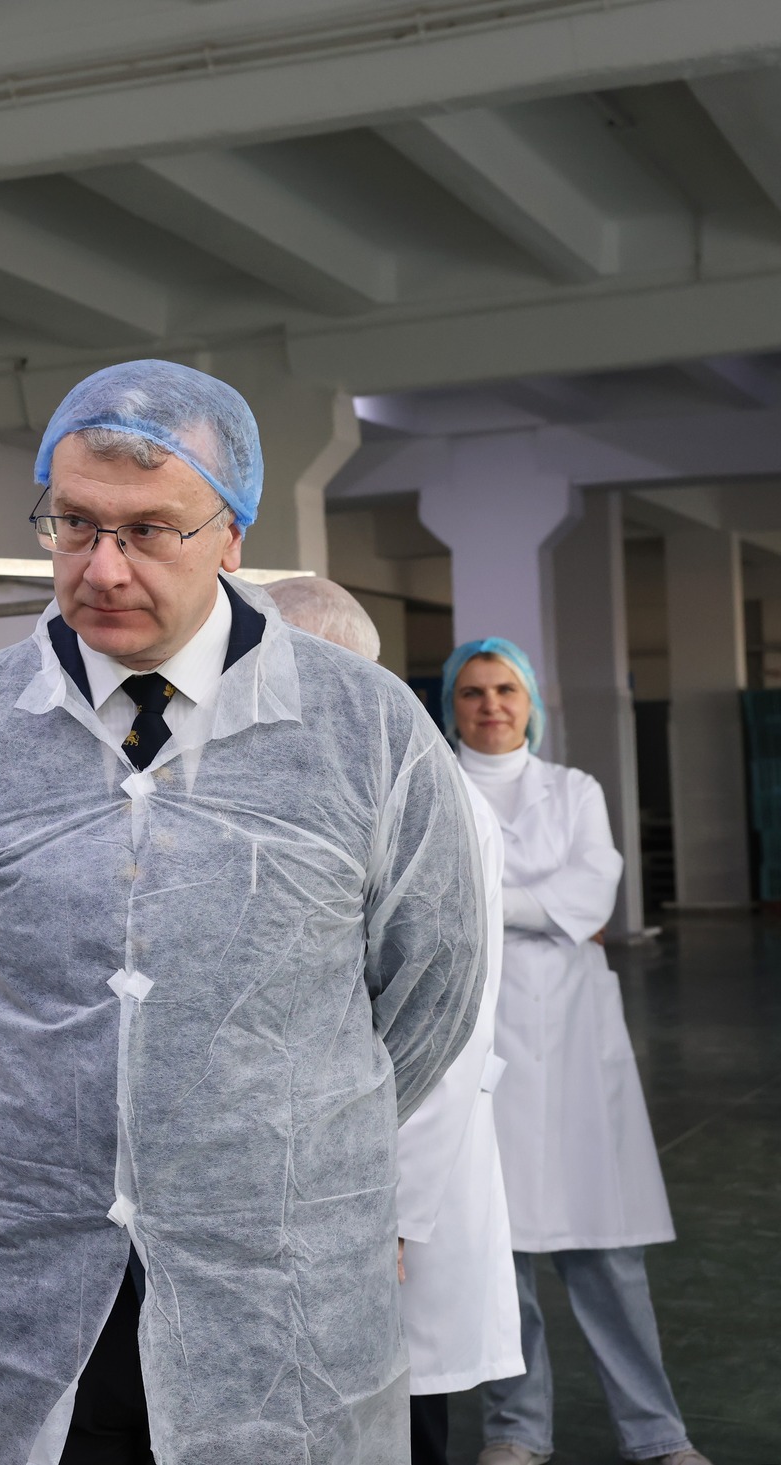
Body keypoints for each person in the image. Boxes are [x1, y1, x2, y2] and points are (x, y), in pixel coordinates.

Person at [0, 360, 487, 1465]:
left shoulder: (366, 727)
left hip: (275, 1298)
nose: (101, 566)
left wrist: (259, 1131)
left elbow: (431, 984)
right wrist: (65, 1096)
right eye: (74, 524)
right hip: (22, 1284)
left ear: (231, 535)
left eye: (149, 530)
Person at [267, 579, 523, 1465]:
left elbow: (446, 1030)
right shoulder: (294, 780)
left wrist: (395, 1210)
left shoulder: (428, 792)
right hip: (298, 1175)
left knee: (398, 1418)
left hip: (389, 1187)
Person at [443, 641, 707, 1465]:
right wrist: (545, 908)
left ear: (530, 702)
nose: (491, 704)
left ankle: (657, 1433)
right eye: (473, 691)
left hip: (575, 1046)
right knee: (500, 1256)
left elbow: (593, 892)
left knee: (608, 1253)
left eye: (506, 689)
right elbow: (435, 895)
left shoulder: (575, 789)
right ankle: (515, 1430)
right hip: (477, 1039)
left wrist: (490, 900)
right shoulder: (435, 786)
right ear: (451, 704)